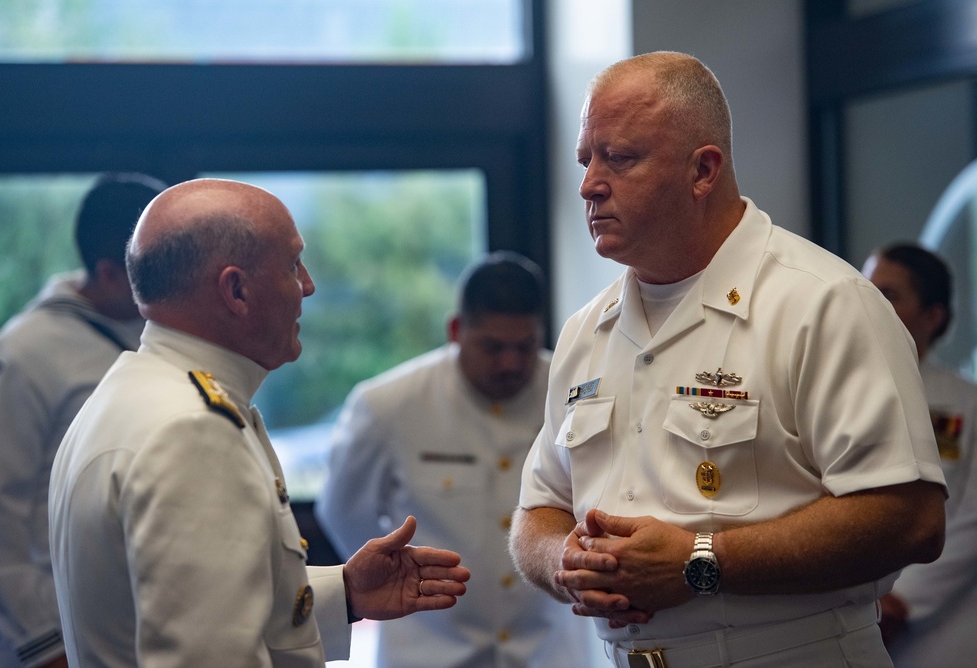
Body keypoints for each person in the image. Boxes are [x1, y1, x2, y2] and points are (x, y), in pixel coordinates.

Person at [508, 51, 947, 668]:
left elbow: (911, 521)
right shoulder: (588, 330)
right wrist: (566, 563)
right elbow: (537, 513)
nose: (589, 184)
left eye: (620, 158)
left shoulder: (823, 303)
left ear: (703, 170)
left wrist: (700, 562)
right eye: (586, 159)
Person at [48, 178, 470, 668]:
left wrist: (347, 592)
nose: (309, 285)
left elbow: (196, 598)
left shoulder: (133, 394)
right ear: (237, 290)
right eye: (293, 265)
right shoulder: (191, 431)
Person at [315, 251, 600, 668]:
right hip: (427, 650)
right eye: (492, 346)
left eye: (524, 347)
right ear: (455, 329)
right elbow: (344, 513)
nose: (510, 363)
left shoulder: (574, 394)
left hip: (550, 649)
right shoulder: (388, 405)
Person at [0, 172, 166, 668]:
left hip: (131, 629)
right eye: (160, 269)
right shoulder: (19, 358)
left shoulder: (151, 339)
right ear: (109, 273)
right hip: (46, 641)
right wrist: (47, 646)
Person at [862, 242, 977, 666]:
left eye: (889, 293)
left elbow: (972, 519)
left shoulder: (967, 404)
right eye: (866, 286)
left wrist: (902, 600)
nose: (869, 301)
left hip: (943, 624)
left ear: (933, 317)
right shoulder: (834, 393)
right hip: (845, 607)